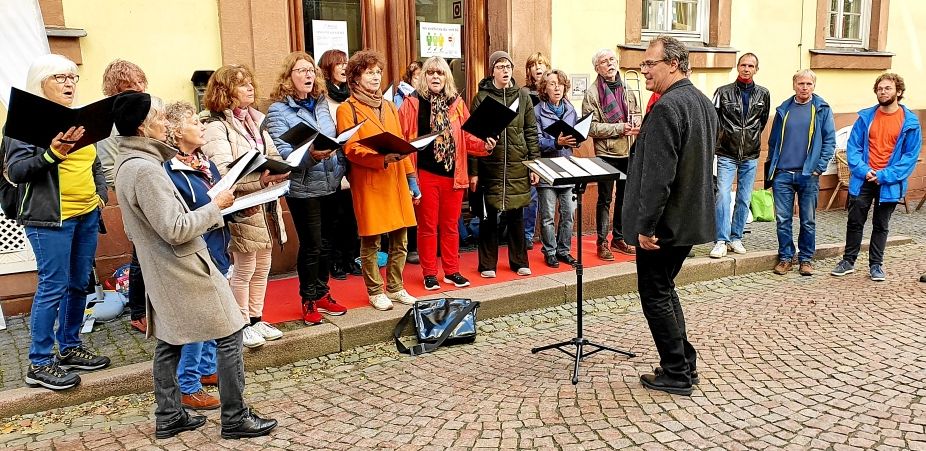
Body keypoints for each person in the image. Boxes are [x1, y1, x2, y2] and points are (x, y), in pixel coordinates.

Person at [113, 92, 277, 439]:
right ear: (143, 126)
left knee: (170, 341)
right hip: (184, 266)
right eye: (158, 116)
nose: (165, 122)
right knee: (231, 332)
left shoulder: (131, 164)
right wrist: (216, 206)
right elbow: (174, 229)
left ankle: (169, 415)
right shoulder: (144, 170)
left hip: (167, 267)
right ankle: (234, 418)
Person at [4, 54, 110, 391]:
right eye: (60, 78)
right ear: (41, 82)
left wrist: (101, 196)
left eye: (73, 77)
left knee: (79, 283)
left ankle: (69, 347)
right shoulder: (24, 123)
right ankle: (38, 363)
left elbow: (94, 164)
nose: (69, 83)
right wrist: (52, 154)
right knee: (54, 285)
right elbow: (16, 172)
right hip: (49, 218)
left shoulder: (81, 120)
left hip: (86, 214)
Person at [624, 36, 717, 396]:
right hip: (687, 219)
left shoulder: (667, 107)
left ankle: (677, 372)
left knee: (655, 293)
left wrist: (645, 227)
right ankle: (684, 363)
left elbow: (659, 176)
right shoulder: (701, 102)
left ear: (673, 65)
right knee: (664, 289)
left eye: (650, 63)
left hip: (664, 225)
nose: (643, 70)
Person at [200, 64, 289, 348]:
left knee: (264, 263)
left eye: (250, 82)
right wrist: (260, 181)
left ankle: (256, 317)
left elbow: (272, 153)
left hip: (265, 202)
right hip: (242, 204)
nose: (250, 88)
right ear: (225, 92)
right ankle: (240, 324)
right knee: (244, 266)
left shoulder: (256, 120)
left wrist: (281, 169)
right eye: (241, 84)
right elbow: (225, 171)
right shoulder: (216, 126)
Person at [397, 56, 494, 290]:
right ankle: (429, 272)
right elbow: (401, 139)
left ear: (446, 77)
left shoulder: (457, 104)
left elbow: (469, 137)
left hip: (454, 175)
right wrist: (408, 178)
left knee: (450, 226)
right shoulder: (411, 104)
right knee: (428, 227)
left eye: (440, 73)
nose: (435, 77)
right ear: (424, 77)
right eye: (430, 73)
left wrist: (485, 145)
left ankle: (451, 271)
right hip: (425, 174)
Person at [266, 51, 348, 325]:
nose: (308, 75)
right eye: (301, 70)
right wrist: (312, 155)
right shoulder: (279, 110)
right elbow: (284, 152)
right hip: (303, 188)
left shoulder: (322, 102)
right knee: (312, 245)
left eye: (311, 70)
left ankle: (323, 293)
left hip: (330, 182)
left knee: (327, 243)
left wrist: (339, 155)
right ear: (289, 77)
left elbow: (331, 136)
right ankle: (309, 299)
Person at [162, 100, 231, 411]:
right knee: (198, 320)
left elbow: (217, 196)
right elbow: (184, 213)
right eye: (195, 123)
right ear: (177, 133)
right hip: (195, 248)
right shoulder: (169, 169)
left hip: (217, 243)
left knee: (212, 314)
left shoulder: (203, 162)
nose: (202, 127)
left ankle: (205, 371)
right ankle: (187, 384)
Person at [337, 50, 418, 311]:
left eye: (378, 72)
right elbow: (350, 148)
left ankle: (395, 286)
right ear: (355, 77)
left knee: (400, 238)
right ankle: (375, 290)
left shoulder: (389, 105)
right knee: (371, 240)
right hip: (370, 180)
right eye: (369, 72)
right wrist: (381, 158)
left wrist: (411, 178)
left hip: (395, 179)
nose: (375, 76)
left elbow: (402, 144)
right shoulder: (346, 108)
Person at [831, 73, 922, 281]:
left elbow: (909, 158)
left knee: (881, 224)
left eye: (888, 88)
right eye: (880, 89)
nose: (883, 92)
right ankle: (848, 261)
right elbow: (853, 148)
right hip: (864, 178)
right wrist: (864, 171)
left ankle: (876, 265)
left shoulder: (910, 123)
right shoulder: (865, 118)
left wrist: (884, 175)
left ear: (898, 92)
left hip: (888, 182)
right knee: (855, 221)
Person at [470, 50, 540, 278]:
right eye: (500, 66)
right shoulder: (481, 98)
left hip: (518, 164)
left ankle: (519, 261)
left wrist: (534, 165)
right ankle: (487, 264)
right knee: (489, 216)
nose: (505, 70)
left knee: (516, 215)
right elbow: (472, 137)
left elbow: (531, 131)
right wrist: (473, 171)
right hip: (491, 164)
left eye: (508, 66)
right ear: (492, 71)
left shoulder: (523, 96)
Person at [95, 59, 150, 334]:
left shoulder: (150, 107)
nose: (139, 88)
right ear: (117, 89)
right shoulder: (107, 120)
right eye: (131, 85)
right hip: (132, 192)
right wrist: (131, 186)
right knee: (140, 254)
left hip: (155, 184)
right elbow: (107, 169)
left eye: (141, 82)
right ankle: (138, 312)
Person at [766, 70, 836, 276]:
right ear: (794, 85)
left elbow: (829, 141)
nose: (804, 87)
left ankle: (806, 259)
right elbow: (773, 141)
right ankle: (786, 257)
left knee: (808, 220)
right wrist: (774, 167)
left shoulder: (822, 109)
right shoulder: (784, 109)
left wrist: (818, 168)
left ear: (814, 86)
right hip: (783, 175)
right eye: (801, 83)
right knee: (783, 220)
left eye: (808, 84)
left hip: (808, 175)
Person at [710, 52, 770, 258]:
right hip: (726, 152)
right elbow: (714, 120)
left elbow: (760, 123)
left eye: (751, 66)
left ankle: (736, 238)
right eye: (743, 65)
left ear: (756, 69)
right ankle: (720, 239)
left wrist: (750, 139)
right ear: (737, 67)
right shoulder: (722, 92)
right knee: (723, 195)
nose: (746, 69)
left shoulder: (764, 94)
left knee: (744, 198)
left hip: (751, 154)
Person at [582, 49, 640, 261]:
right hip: (606, 153)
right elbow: (591, 128)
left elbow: (636, 113)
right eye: (604, 62)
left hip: (628, 150)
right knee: (605, 199)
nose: (609, 64)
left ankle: (619, 237)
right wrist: (620, 129)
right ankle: (601, 242)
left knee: (625, 198)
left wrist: (636, 123)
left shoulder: (627, 87)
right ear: (597, 68)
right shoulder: (592, 93)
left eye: (612, 60)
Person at [319, 49, 362, 280]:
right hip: (333, 161)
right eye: (339, 64)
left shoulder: (352, 95)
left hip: (353, 160)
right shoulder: (322, 98)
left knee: (352, 216)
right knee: (335, 217)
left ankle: (350, 258)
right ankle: (335, 262)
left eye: (346, 63)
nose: (344, 68)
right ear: (328, 68)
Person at [533, 69, 578, 268]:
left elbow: (575, 134)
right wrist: (556, 142)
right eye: (552, 83)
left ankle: (564, 250)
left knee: (569, 214)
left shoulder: (570, 110)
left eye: (560, 83)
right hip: (547, 168)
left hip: (567, 167)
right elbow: (535, 141)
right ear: (544, 88)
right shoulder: (537, 111)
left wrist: (576, 139)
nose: (557, 87)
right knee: (548, 216)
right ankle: (550, 251)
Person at [522, 52, 550, 247]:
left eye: (541, 64)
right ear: (529, 70)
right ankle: (527, 235)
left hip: (552, 151)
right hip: (531, 150)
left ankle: (548, 236)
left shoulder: (553, 91)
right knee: (531, 197)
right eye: (534, 65)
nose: (538, 68)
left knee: (549, 199)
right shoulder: (524, 93)